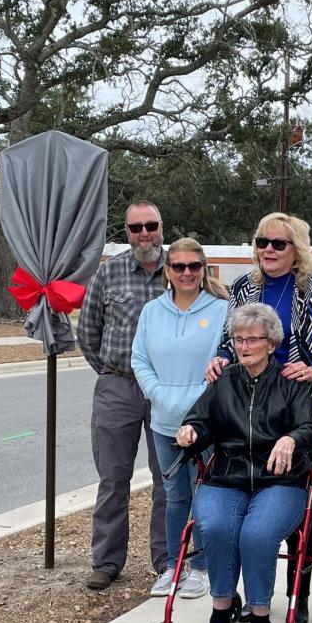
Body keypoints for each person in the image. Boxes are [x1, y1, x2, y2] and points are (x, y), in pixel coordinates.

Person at [205, 212, 312, 623]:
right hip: (247, 401)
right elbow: (230, 340)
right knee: (234, 497)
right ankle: (239, 594)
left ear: (296, 249)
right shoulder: (245, 287)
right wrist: (221, 358)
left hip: (296, 403)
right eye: (263, 241)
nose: (269, 249)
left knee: (292, 494)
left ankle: (296, 595)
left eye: (279, 244)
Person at [178, 303, 312, 623]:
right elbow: (200, 419)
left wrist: (290, 438)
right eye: (238, 339)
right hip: (228, 475)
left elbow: (310, 427)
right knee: (217, 527)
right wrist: (190, 430)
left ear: (271, 343)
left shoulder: (292, 381)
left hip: (280, 480)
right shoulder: (224, 380)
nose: (243, 346)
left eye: (253, 339)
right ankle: (219, 618)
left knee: (257, 534)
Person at [76, 199, 168, 590]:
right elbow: (87, 330)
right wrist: (112, 372)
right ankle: (107, 561)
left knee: (169, 478)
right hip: (119, 386)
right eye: (135, 228)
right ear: (126, 232)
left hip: (167, 391)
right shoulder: (109, 274)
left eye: (151, 225)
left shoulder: (182, 270)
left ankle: (167, 560)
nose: (144, 234)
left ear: (162, 227)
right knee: (113, 478)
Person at [131, 238, 228, 599]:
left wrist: (197, 403)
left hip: (205, 421)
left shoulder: (220, 310)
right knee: (174, 496)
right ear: (167, 272)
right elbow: (139, 359)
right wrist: (159, 394)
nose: (186, 273)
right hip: (164, 421)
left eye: (194, 266)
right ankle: (174, 566)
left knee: (204, 495)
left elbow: (226, 360)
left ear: (204, 270)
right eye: (178, 267)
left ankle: (200, 569)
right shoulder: (152, 311)